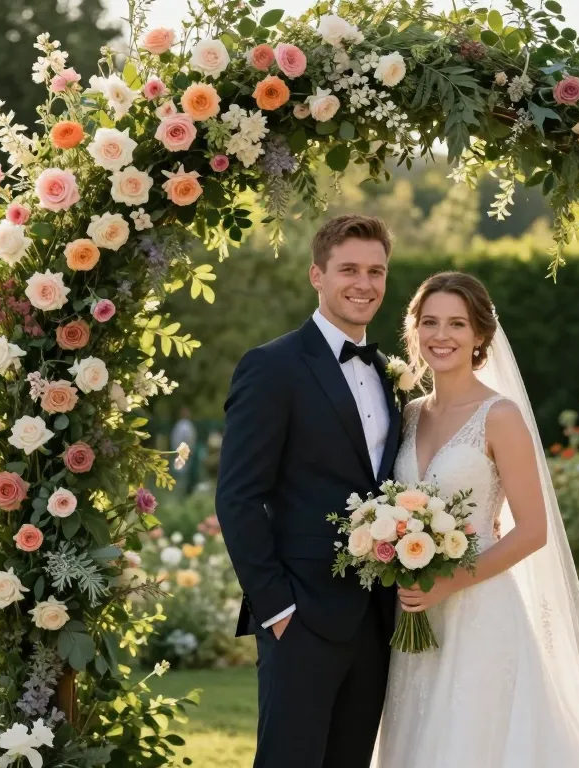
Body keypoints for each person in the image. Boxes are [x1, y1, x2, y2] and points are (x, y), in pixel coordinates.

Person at [373, 272, 579, 768]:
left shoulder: (500, 415)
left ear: (479, 337)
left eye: (456, 323)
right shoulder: (405, 414)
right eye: (429, 322)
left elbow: (534, 529)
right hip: (416, 614)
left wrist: (451, 580)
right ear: (414, 331)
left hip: (479, 611)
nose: (441, 335)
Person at [216, 214, 402, 768]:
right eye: (349, 269)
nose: (363, 283)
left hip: (375, 620)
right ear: (316, 275)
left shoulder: (392, 372)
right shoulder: (271, 367)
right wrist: (277, 609)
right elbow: (238, 496)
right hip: (301, 617)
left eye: (376, 271)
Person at [169, 406, 198, 494]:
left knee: (182, 472)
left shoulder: (182, 425)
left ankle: (181, 492)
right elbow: (186, 439)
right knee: (181, 472)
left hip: (181, 451)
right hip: (182, 452)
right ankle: (180, 492)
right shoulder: (183, 426)